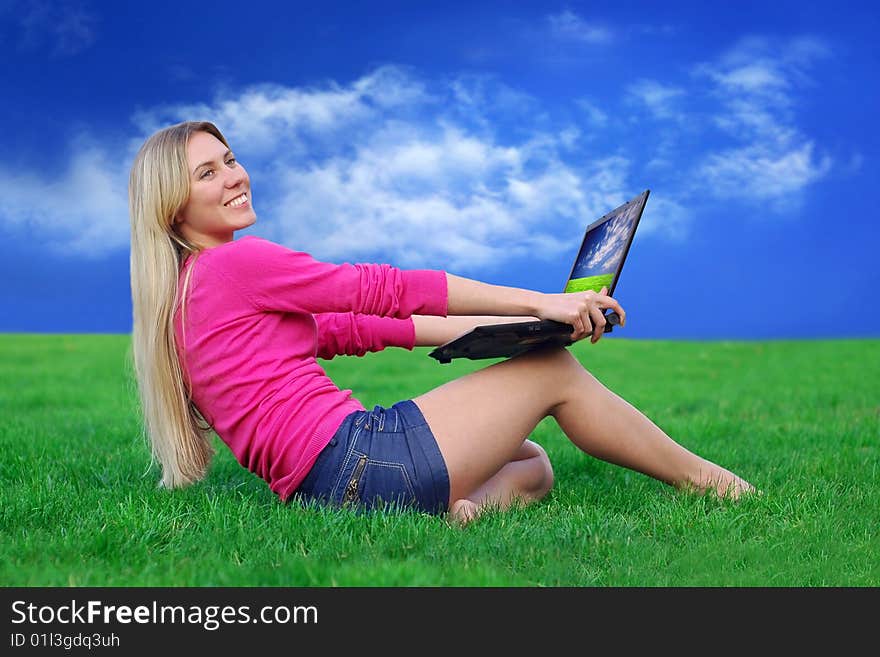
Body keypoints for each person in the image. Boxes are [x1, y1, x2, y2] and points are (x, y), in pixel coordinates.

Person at [129, 120, 755, 526]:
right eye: (206, 173)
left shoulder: (191, 294)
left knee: (532, 463)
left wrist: (527, 328)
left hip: (332, 491)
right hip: (361, 461)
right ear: (173, 204)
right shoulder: (237, 265)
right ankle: (716, 486)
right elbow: (383, 292)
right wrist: (542, 304)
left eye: (229, 159)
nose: (234, 176)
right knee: (553, 372)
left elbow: (367, 329)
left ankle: (466, 515)